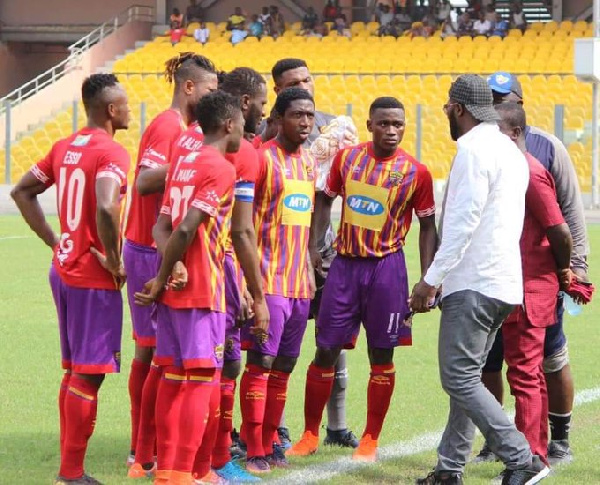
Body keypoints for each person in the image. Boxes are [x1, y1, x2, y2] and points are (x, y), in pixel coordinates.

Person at [411, 74, 548, 485]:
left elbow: (464, 222)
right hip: (504, 282)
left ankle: (523, 459)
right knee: (466, 378)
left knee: (458, 377)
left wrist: (430, 279)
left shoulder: (472, 149)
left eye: (447, 109)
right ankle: (449, 471)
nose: (446, 115)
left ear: (458, 108)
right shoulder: (509, 149)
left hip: (473, 281)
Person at [287, 97, 437, 462]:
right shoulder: (348, 158)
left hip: (387, 269)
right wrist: (313, 249)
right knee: (326, 348)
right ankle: (309, 433)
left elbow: (428, 225)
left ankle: (370, 438)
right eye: (384, 124)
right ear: (369, 125)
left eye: (398, 125)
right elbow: (324, 200)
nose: (391, 131)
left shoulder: (416, 172)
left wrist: (430, 277)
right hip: (344, 266)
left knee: (381, 354)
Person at [11, 73, 130, 485]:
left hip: (63, 268)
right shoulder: (112, 151)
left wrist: (53, 240)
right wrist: (115, 260)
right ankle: (71, 474)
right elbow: (106, 205)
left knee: (75, 371)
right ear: (111, 110)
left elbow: (22, 191)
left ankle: (70, 470)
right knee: (90, 372)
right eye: (126, 104)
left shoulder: (66, 146)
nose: (131, 109)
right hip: (92, 276)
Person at [472, 72, 590, 466]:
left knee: (548, 358)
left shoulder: (543, 148)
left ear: (519, 103)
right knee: (489, 361)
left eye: (503, 98)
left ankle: (557, 439)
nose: (494, 103)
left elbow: (568, 215)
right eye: (489, 97)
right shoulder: (478, 147)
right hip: (492, 275)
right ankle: (498, 440)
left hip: (535, 275)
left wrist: (575, 271)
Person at [134, 91, 245, 485]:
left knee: (173, 379)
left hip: (174, 291)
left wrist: (167, 271)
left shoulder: (182, 162)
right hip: (201, 290)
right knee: (198, 383)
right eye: (242, 123)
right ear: (230, 124)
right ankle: (180, 475)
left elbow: (160, 227)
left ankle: (166, 469)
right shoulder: (221, 167)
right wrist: (169, 272)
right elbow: (185, 227)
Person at [124, 53, 218, 479]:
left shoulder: (183, 131)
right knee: (155, 354)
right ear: (189, 88)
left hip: (157, 246)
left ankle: (148, 451)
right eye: (211, 90)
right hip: (150, 247)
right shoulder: (169, 126)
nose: (215, 99)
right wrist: (191, 166)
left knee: (161, 356)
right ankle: (141, 450)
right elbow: (144, 181)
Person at [266, 58, 359, 450]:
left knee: (332, 339)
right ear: (278, 93)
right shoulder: (269, 133)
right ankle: (278, 425)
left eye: (306, 80)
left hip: (326, 250)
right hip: (281, 254)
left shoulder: (336, 127)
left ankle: (336, 425)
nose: (303, 87)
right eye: (293, 84)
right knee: (278, 344)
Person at [190, 67, 270, 484]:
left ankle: (161, 459)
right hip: (220, 272)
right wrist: (255, 295)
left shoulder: (190, 140)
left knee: (184, 370)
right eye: (260, 101)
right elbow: (241, 230)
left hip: (186, 267)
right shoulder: (242, 153)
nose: (263, 109)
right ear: (242, 105)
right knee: (219, 368)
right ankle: (211, 463)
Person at [238, 87, 317, 474]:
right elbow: (243, 227)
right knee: (261, 361)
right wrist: (249, 287)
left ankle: (271, 440)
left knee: (285, 365)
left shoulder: (308, 165)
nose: (305, 122)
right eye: (297, 115)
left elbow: (300, 225)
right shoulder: (260, 160)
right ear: (278, 118)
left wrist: (306, 267)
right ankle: (253, 447)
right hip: (267, 281)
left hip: (298, 284)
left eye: (310, 116)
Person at [494, 101, 573, 468]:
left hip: (529, 287)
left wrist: (566, 273)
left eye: (496, 133)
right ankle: (534, 450)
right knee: (528, 373)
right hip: (513, 281)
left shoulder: (529, 170)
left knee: (525, 373)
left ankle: (528, 457)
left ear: (515, 133)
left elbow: (559, 229)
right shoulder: (510, 169)